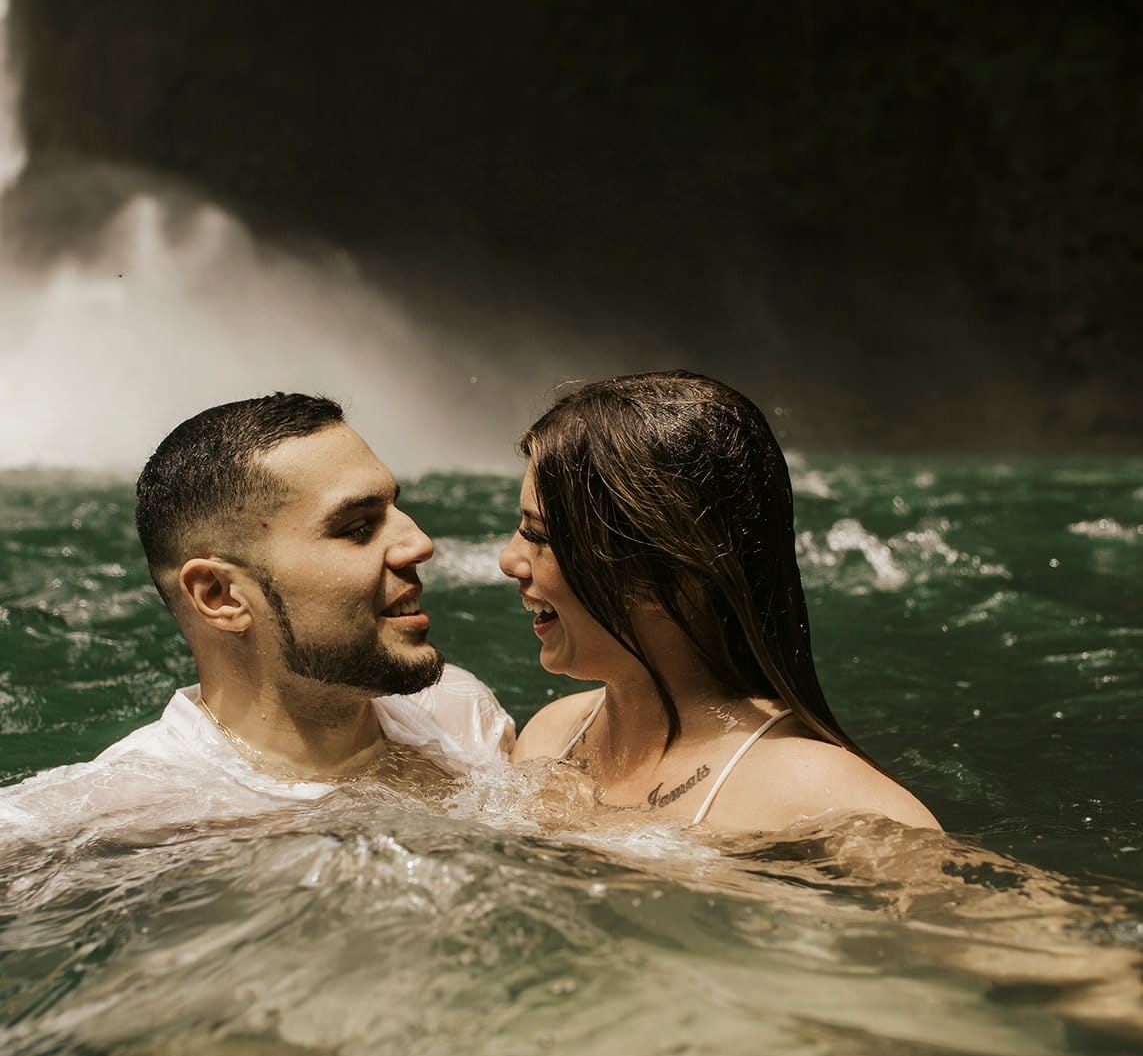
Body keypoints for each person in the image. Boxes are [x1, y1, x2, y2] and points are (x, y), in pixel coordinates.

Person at [0, 392, 513, 847]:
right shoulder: (116, 818)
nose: (419, 543)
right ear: (220, 595)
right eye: (357, 528)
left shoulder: (458, 712)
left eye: (395, 509)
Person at [499, 370, 938, 835]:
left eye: (538, 535)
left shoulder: (815, 794)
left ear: (660, 573)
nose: (510, 559)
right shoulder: (552, 738)